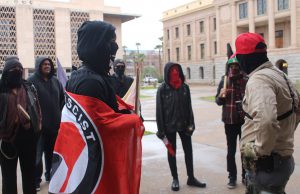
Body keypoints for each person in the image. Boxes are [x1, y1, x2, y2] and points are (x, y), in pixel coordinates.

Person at [235, 32, 300, 194]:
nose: (238, 63)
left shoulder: (259, 80)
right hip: (282, 159)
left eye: (239, 58)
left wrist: (259, 153)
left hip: (268, 166)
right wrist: (283, 137)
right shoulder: (281, 75)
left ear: (245, 58)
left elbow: (267, 121)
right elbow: (297, 112)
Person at [156, 62, 206, 191]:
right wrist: (161, 130)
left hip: (184, 125)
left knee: (188, 151)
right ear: (167, 72)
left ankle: (191, 177)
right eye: (172, 70)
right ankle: (175, 179)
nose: (175, 72)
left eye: (177, 70)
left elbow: (189, 108)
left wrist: (191, 124)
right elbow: (159, 111)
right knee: (171, 152)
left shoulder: (184, 88)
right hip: (169, 126)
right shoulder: (162, 89)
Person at [0, 56, 42, 194]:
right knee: (8, 177)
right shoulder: (1, 90)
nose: (17, 70)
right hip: (7, 139)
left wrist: (38, 126)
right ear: (7, 72)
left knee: (29, 173)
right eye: (13, 68)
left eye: (19, 68)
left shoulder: (28, 87)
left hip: (28, 137)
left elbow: (37, 108)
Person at [28, 57, 65, 191]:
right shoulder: (31, 82)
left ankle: (50, 175)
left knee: (52, 153)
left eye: (49, 64)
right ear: (39, 66)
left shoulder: (56, 81)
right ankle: (36, 180)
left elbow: (62, 100)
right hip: (38, 127)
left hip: (54, 126)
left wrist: (59, 117)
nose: (47, 66)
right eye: (44, 64)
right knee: (37, 156)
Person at [66, 20, 119, 111]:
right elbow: (99, 122)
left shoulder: (83, 75)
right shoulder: (90, 82)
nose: (116, 46)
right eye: (111, 41)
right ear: (96, 44)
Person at [215, 57, 247, 189]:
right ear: (228, 67)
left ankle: (246, 176)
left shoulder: (246, 80)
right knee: (231, 151)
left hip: (244, 121)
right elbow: (217, 101)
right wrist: (221, 96)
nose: (234, 68)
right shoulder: (225, 80)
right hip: (229, 121)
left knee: (245, 151)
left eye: (236, 65)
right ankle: (232, 177)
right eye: (231, 65)